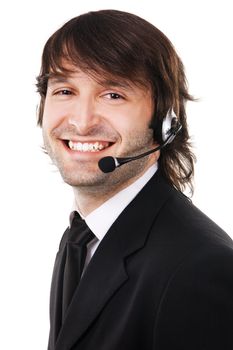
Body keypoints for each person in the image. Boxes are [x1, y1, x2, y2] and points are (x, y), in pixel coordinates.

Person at [36, 9, 233, 350]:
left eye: (113, 94)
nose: (82, 122)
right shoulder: (82, 237)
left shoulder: (200, 269)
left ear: (165, 124)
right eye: (65, 91)